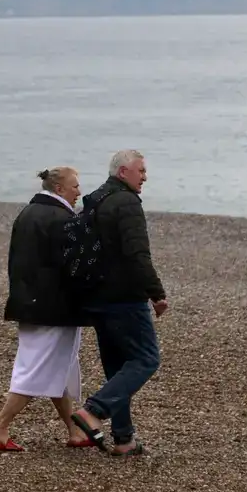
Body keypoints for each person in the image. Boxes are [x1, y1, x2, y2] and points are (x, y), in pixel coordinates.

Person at [0, 166, 93, 452]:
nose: (79, 192)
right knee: (37, 367)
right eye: (75, 187)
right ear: (59, 189)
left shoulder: (29, 213)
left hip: (29, 302)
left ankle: (74, 430)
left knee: (60, 365)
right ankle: (0, 424)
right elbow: (74, 266)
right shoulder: (61, 218)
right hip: (53, 308)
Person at [70, 149, 169, 457]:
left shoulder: (95, 199)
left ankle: (124, 439)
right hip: (124, 297)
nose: (145, 176)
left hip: (96, 297)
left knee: (118, 369)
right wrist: (157, 293)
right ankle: (94, 410)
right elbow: (137, 254)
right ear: (123, 172)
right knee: (145, 359)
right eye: (141, 170)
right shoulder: (126, 203)